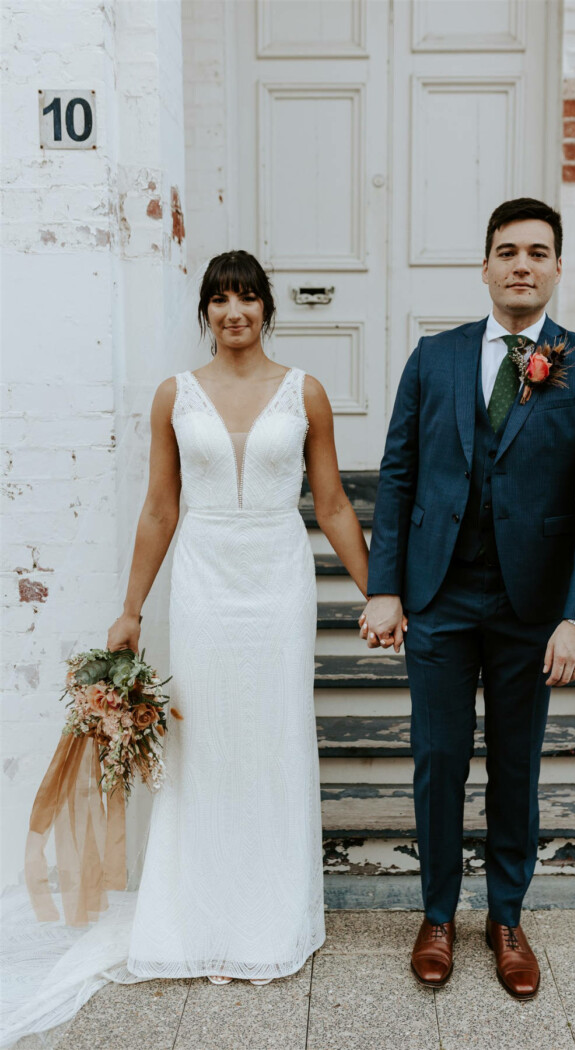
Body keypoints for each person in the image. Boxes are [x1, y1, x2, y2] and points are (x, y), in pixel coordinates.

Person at [359, 198, 575, 998]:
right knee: (438, 763)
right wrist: (385, 587)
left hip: (531, 607)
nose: (521, 264)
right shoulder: (432, 358)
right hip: (439, 596)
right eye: (507, 251)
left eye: (537, 253)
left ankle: (506, 916)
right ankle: (438, 913)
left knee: (515, 768)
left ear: (554, 269)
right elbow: (399, 474)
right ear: (484, 267)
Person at [102, 249, 369, 986]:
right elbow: (161, 508)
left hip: (278, 580)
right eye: (220, 298)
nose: (234, 311)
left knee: (275, 735)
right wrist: (131, 610)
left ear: (266, 308)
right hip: (204, 579)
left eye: (247, 296)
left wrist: (379, 591)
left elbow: (334, 503)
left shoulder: (304, 393)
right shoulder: (174, 396)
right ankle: (199, 919)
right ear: (206, 312)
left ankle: (274, 916)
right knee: (206, 740)